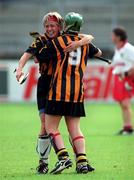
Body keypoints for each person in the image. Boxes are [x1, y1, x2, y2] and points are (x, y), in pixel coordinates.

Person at [16, 12, 94, 174]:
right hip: (47, 84)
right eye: (46, 26)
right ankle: (44, 163)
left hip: (60, 84)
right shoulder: (41, 40)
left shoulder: (69, 39)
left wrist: (83, 41)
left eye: (53, 25)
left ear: (61, 26)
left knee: (64, 126)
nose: (49, 29)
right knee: (45, 125)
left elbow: (87, 38)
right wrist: (20, 68)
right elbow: (27, 54)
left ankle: (75, 159)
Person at [37, 12, 102, 174]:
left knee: (50, 126)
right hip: (77, 93)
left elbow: (41, 55)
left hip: (58, 91)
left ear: (67, 25)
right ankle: (82, 162)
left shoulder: (58, 41)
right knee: (75, 129)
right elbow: (99, 53)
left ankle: (64, 157)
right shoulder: (86, 44)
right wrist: (82, 40)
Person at [111, 26, 134, 135]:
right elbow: (118, 63)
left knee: (125, 103)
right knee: (121, 103)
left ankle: (129, 129)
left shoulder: (129, 48)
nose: (112, 37)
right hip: (119, 78)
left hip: (127, 78)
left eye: (113, 35)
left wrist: (125, 73)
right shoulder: (118, 48)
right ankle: (126, 126)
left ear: (119, 37)